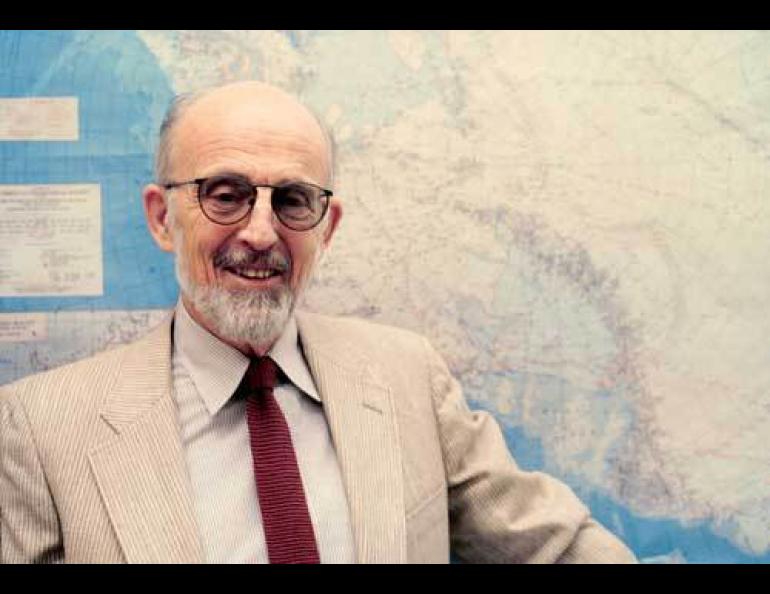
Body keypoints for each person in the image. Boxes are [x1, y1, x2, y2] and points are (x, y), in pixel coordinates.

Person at [0, 81, 636, 564]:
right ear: (163, 218)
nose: (259, 232)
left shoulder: (409, 376)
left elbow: (557, 544)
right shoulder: (42, 429)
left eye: (293, 200)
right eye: (225, 193)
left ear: (326, 229)